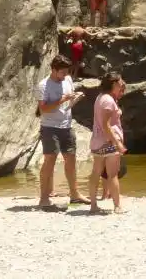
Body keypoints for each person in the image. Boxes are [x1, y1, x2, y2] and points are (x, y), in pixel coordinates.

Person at [36, 54, 89, 210]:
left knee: (71, 160)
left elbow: (68, 102)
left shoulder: (68, 79)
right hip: (49, 127)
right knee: (49, 161)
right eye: (62, 72)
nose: (65, 75)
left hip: (67, 125)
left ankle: (75, 194)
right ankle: (44, 198)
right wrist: (63, 99)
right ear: (53, 69)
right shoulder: (43, 85)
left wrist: (75, 98)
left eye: (67, 72)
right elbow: (43, 109)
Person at [88, 72, 127, 214]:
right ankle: (117, 206)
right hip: (109, 142)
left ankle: (93, 205)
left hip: (97, 141)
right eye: (120, 82)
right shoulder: (109, 101)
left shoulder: (100, 98)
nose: (122, 83)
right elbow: (106, 125)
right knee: (112, 175)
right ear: (113, 84)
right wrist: (118, 143)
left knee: (96, 173)